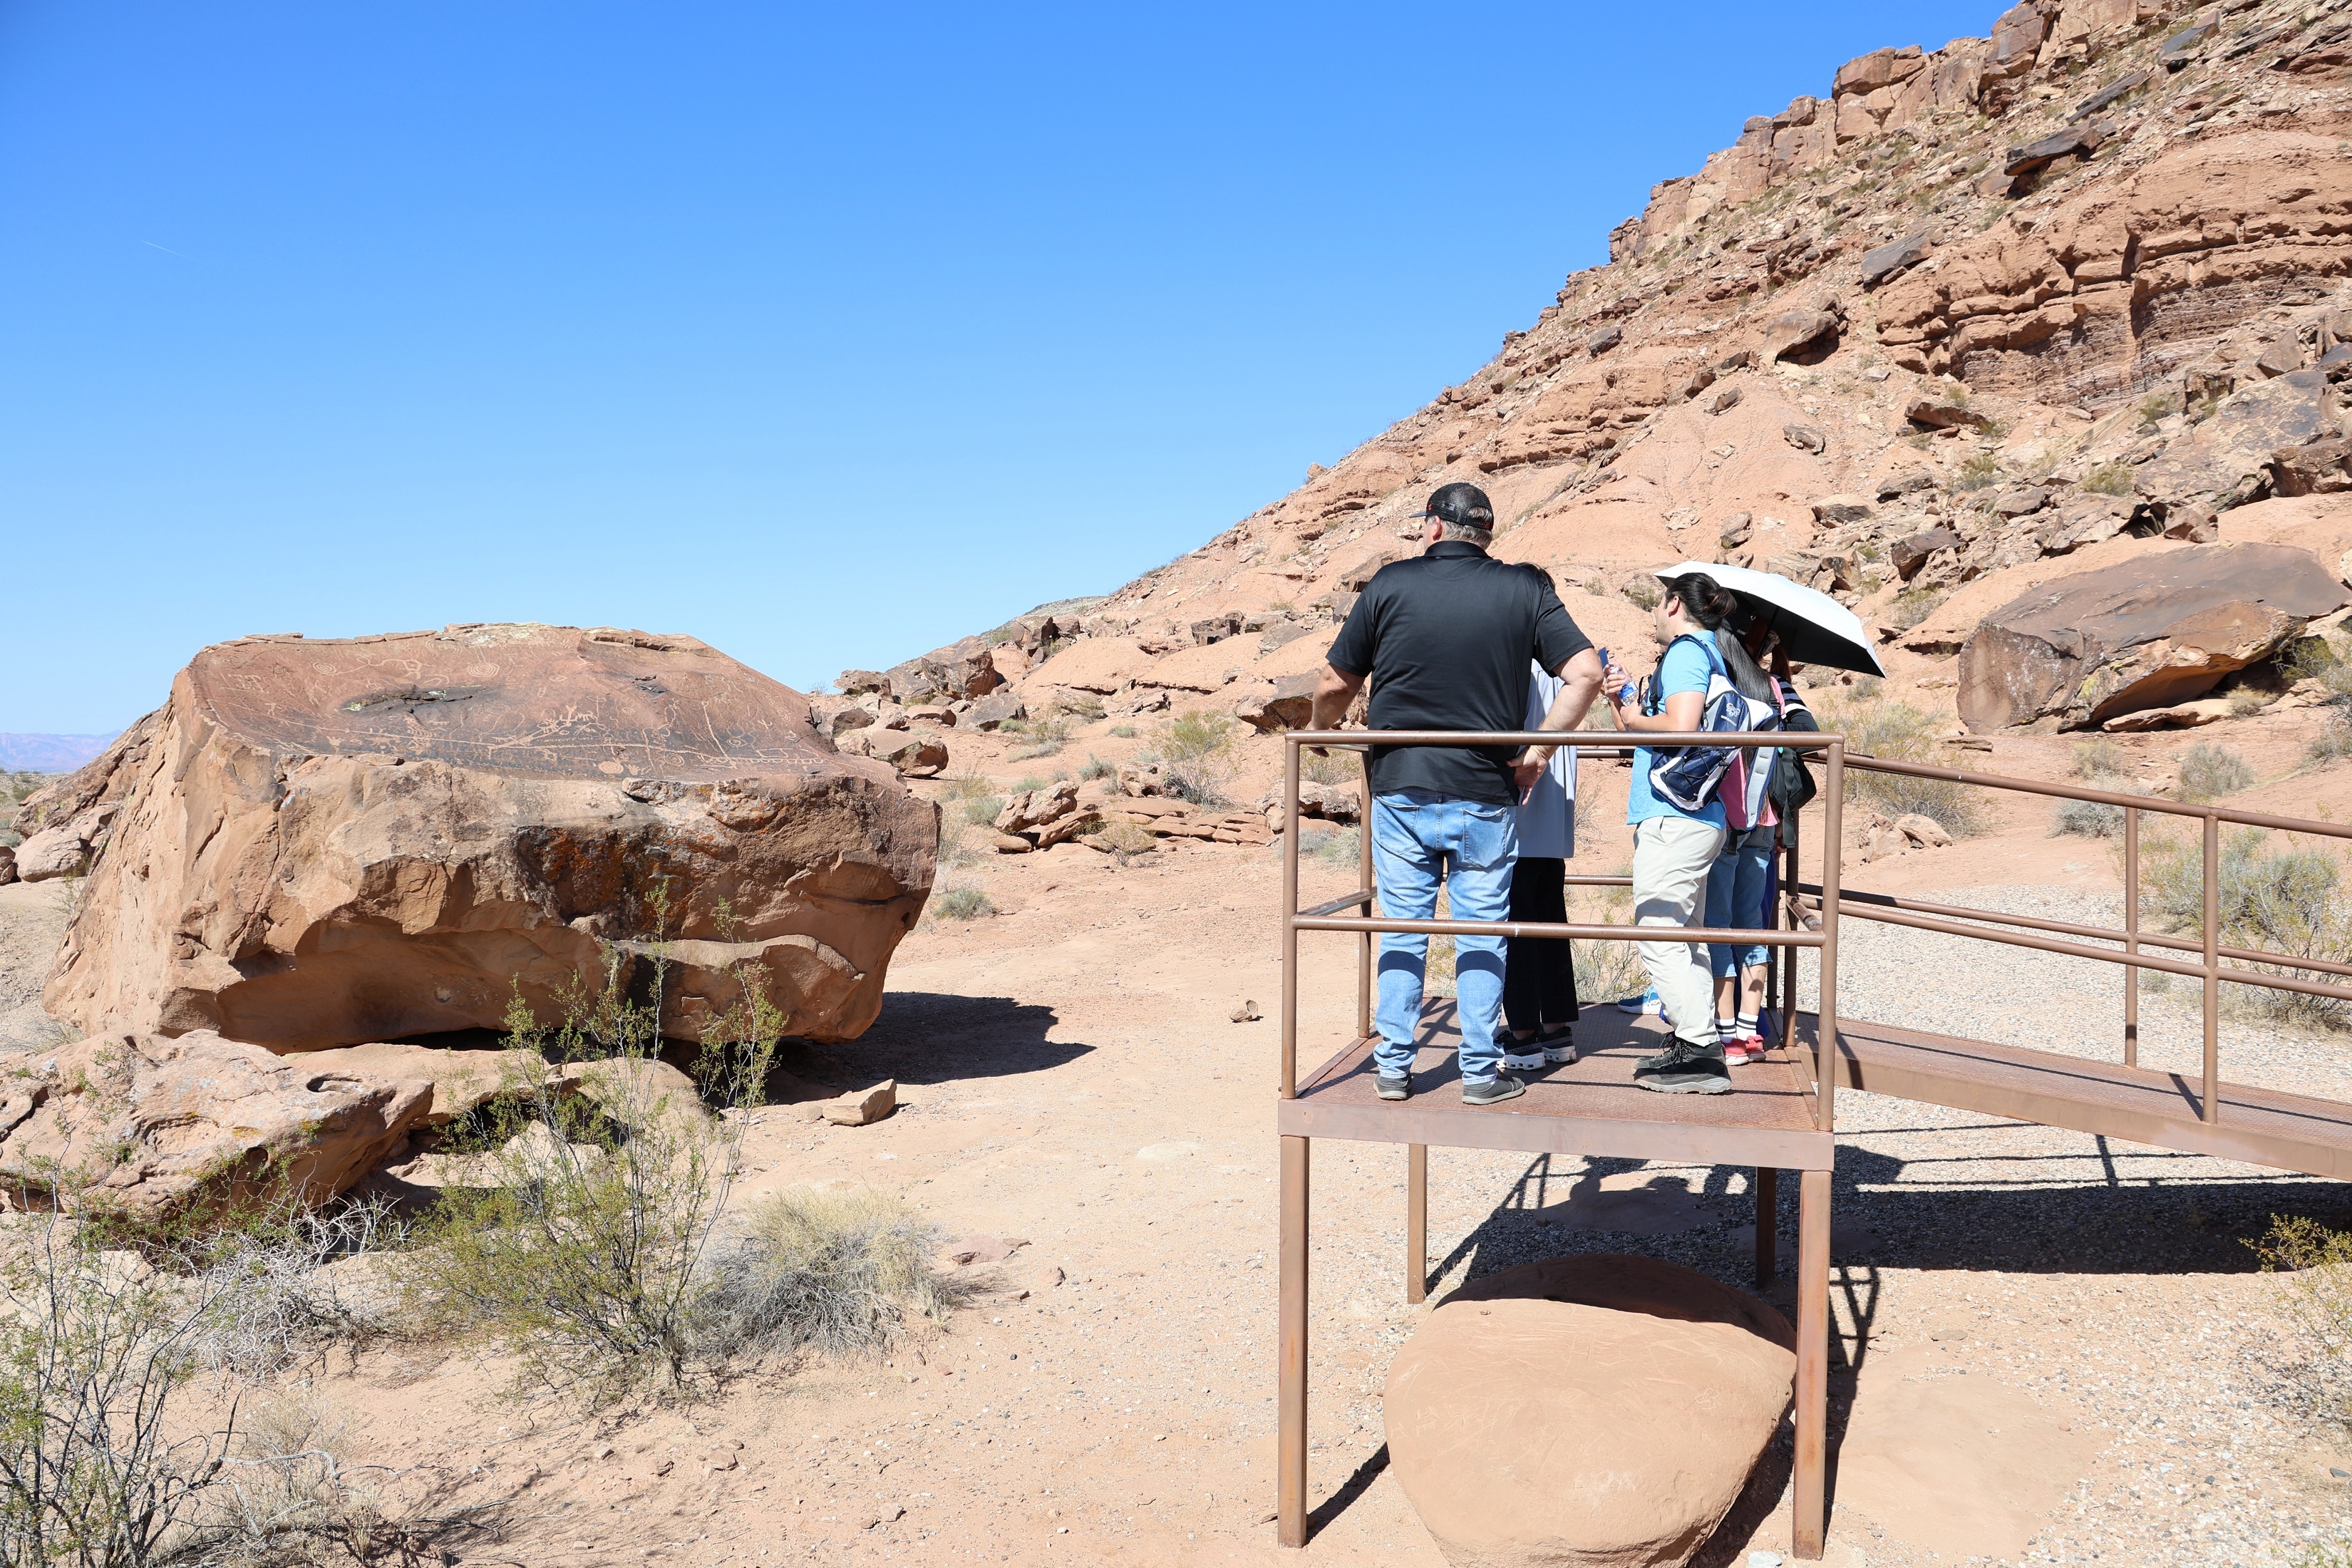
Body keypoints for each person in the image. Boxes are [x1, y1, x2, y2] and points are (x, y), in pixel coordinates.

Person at [1312, 483, 1604, 1106]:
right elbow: (1587, 674)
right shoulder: (1525, 588)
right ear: (1485, 533)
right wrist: (1535, 754)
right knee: (1483, 933)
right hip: (1484, 792)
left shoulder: (1389, 584)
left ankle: (1392, 1068)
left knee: (1403, 930)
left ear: (1434, 527)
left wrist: (1319, 733)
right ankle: (1478, 1074)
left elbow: (1336, 682)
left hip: (1400, 786)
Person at [1599, 571, 1778, 1095]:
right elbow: (1645, 729)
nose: (1655, 612)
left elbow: (1682, 723)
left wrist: (1635, 716)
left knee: (1658, 934)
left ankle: (1699, 1046)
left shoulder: (1685, 651)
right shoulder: (1707, 654)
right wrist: (1624, 702)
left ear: (1675, 603)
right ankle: (1695, 1041)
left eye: (1659, 603)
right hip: (1696, 819)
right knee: (1685, 936)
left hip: (1673, 819)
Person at [1703, 616, 1805, 1064]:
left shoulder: (1719, 686)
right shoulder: (1775, 689)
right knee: (1753, 927)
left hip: (1725, 820)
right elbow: (1802, 738)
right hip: (1763, 820)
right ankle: (1751, 1031)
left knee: (1719, 929)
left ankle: (1727, 1037)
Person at [1502, 654, 1579, 1071]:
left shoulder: (1521, 662)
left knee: (1518, 927)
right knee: (1551, 923)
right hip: (1555, 820)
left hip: (1520, 816)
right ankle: (1556, 1029)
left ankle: (1522, 1037)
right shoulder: (1567, 668)